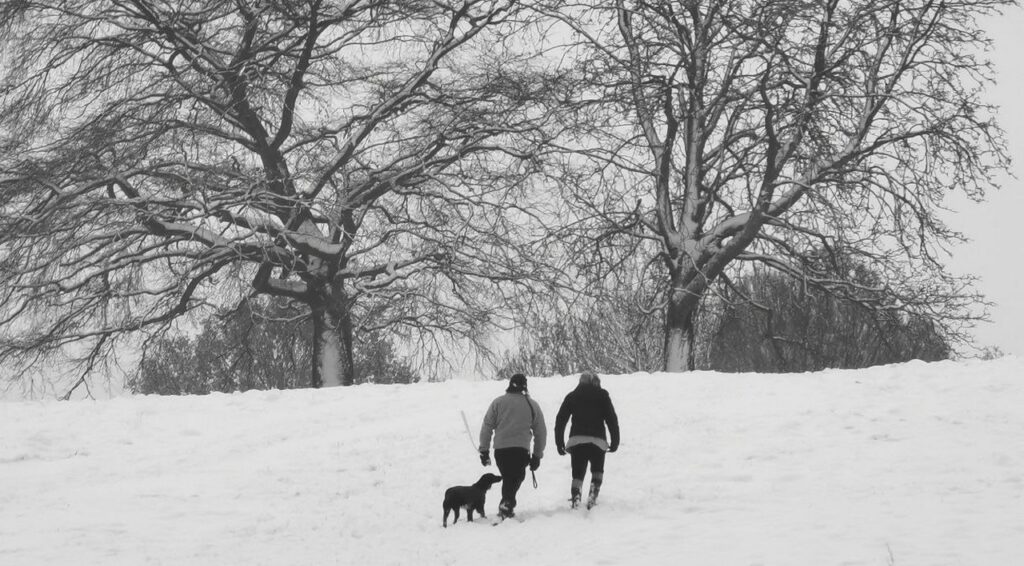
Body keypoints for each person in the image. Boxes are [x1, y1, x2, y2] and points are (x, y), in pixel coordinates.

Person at [479, 373, 547, 519]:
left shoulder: (498, 403)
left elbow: (487, 426)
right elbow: (540, 432)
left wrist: (484, 450)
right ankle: (507, 503)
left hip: (501, 451)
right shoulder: (532, 405)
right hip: (520, 451)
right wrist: (537, 455)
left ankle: (507, 503)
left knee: (509, 476)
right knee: (516, 477)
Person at [554, 371, 619, 509]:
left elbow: (561, 420)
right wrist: (615, 441)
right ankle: (593, 495)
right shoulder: (603, 396)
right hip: (598, 441)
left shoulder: (572, 396)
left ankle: (576, 496)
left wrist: (559, 441)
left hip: (577, 441)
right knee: (597, 469)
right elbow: (612, 419)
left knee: (577, 472)